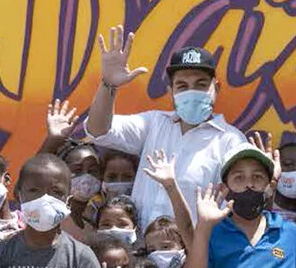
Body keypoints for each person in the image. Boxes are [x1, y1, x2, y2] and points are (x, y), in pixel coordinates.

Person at [85, 27, 248, 231]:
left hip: (193, 254)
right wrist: (108, 84)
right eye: (182, 86)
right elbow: (98, 130)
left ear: (216, 88)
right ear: (171, 92)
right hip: (141, 250)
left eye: (200, 84)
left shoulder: (231, 140)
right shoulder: (153, 123)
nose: (192, 92)